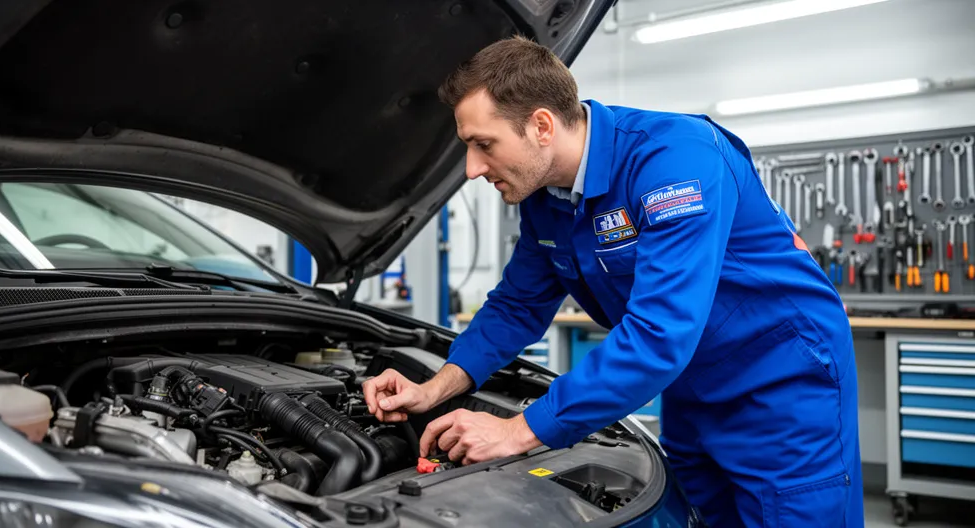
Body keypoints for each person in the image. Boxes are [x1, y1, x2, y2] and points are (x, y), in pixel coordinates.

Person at [362, 36, 863, 527]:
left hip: (781, 382)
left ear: (541, 126)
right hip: (689, 385)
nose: (472, 169)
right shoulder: (546, 198)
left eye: (482, 145)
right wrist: (434, 389)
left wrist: (519, 431)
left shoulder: (675, 161)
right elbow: (517, 306)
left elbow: (659, 334)